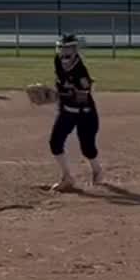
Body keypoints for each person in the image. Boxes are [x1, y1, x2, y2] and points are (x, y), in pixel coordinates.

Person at [48, 35, 103, 191]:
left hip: (85, 112)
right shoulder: (58, 61)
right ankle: (67, 177)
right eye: (62, 47)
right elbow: (60, 83)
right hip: (66, 110)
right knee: (55, 142)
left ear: (75, 49)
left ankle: (97, 170)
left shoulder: (81, 71)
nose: (64, 51)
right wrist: (51, 94)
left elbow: (82, 97)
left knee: (87, 147)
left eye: (68, 48)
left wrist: (58, 95)